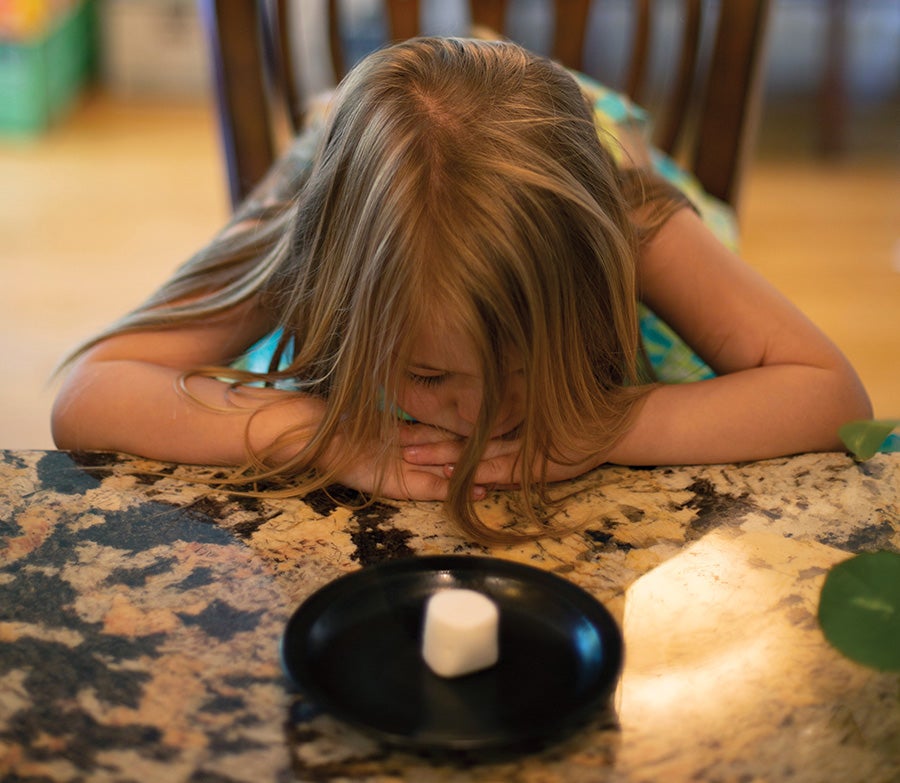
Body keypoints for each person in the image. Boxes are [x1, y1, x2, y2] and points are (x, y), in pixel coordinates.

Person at [51, 37, 871, 542]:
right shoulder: (316, 243)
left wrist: (600, 429)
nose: (481, 418)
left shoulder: (628, 225)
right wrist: (325, 435)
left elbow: (830, 395)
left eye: (522, 366)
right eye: (428, 374)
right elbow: (92, 391)